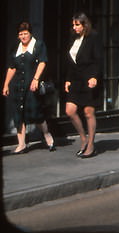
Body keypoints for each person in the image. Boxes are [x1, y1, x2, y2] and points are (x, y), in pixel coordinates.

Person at [3, 22, 56, 154]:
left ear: (30, 33)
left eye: (25, 33)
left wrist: (36, 79)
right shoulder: (16, 46)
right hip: (17, 86)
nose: (23, 36)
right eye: (20, 34)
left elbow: (42, 62)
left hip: (31, 85)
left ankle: (47, 135)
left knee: (35, 113)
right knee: (18, 115)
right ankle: (21, 144)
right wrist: (6, 84)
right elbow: (12, 67)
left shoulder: (38, 45)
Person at [65, 12, 103, 159]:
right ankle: (83, 138)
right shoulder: (73, 38)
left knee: (88, 112)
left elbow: (99, 59)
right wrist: (68, 79)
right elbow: (70, 60)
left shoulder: (94, 37)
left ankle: (91, 145)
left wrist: (95, 76)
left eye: (77, 25)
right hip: (75, 80)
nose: (74, 27)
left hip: (89, 80)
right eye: (73, 25)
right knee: (70, 110)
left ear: (84, 24)